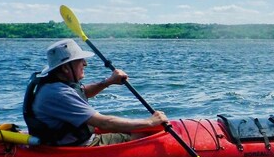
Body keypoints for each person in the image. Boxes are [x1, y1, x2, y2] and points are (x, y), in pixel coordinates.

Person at [23, 38, 168, 146]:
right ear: (66, 68)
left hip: (63, 138)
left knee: (132, 129)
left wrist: (108, 82)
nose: (85, 64)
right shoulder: (59, 93)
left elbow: (83, 92)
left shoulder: (54, 83)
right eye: (80, 61)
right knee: (140, 136)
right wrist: (149, 122)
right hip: (75, 146)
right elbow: (104, 123)